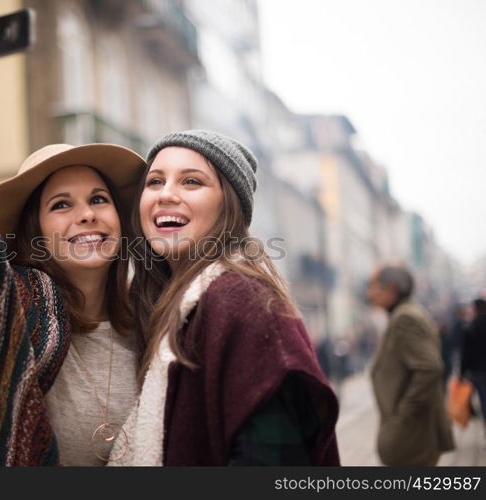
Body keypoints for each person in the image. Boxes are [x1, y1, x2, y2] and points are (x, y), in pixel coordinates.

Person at [0, 12, 146, 465]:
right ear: (35, 232)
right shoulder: (16, 310)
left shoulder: (152, 324)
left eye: (99, 198)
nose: (86, 216)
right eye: (61, 205)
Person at [107, 130, 340, 466]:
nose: (166, 194)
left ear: (228, 205)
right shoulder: (169, 304)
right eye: (155, 182)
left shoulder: (244, 302)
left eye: (191, 182)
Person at [366, 265, 454, 466]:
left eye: (373, 286)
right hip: (414, 434)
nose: (369, 292)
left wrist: (403, 417)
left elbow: (429, 368)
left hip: (414, 435)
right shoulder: (404, 314)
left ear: (392, 289)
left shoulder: (405, 318)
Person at [460, 298, 486, 434]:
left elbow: (466, 352)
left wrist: (462, 372)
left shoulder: (472, 326)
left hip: (477, 370)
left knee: (482, 399)